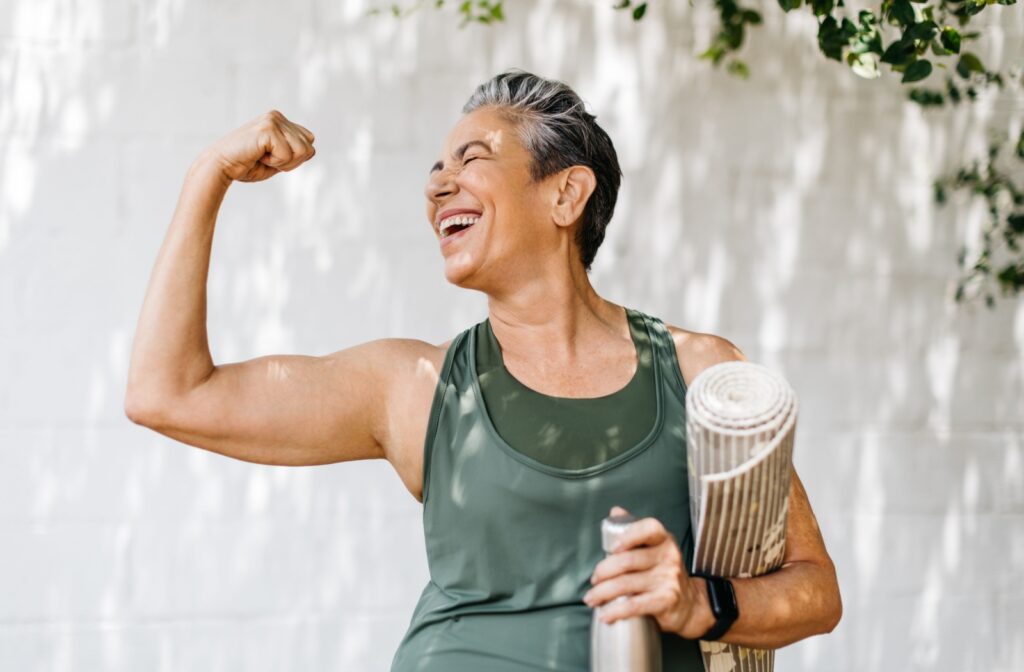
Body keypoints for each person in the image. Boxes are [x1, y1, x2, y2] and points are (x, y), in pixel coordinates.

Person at [125, 69, 842, 671]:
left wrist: (698, 602)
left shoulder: (701, 372)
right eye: (435, 170)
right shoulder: (414, 387)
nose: (439, 185)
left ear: (566, 195)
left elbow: (815, 591)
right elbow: (167, 393)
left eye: (471, 158)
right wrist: (206, 176)